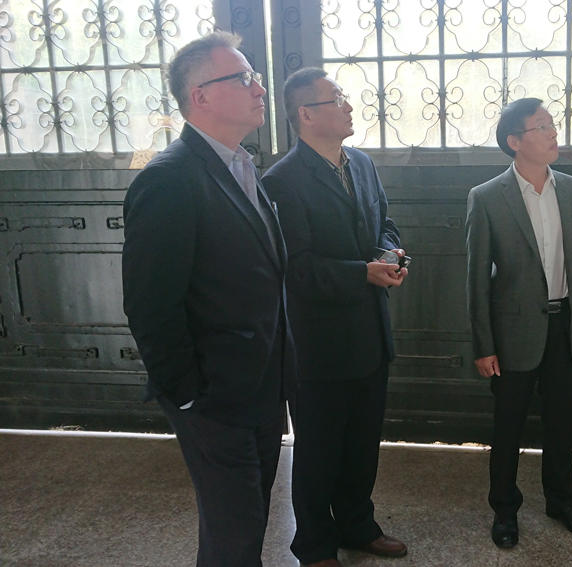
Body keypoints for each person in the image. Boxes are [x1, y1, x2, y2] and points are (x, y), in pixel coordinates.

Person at [122, 31, 295, 567]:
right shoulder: (169, 180)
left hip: (261, 383)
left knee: (245, 523)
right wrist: (189, 395)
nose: (259, 88)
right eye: (244, 78)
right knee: (235, 530)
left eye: (255, 77)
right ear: (200, 96)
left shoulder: (241, 165)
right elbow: (151, 305)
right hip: (214, 395)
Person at [262, 68, 408, 567]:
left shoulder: (361, 163)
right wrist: (361, 273)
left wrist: (389, 253)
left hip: (370, 334)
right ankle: (314, 545)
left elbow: (385, 222)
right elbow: (295, 269)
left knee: (363, 447)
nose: (348, 106)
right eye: (337, 99)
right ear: (306, 114)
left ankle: (358, 526)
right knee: (319, 453)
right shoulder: (282, 181)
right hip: (319, 346)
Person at [465, 97, 572, 548]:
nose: (552, 133)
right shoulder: (487, 197)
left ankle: (563, 502)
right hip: (512, 333)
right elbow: (476, 281)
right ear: (515, 141)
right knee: (508, 427)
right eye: (541, 126)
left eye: (552, 125)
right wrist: (484, 345)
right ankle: (504, 511)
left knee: (562, 423)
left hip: (566, 326)